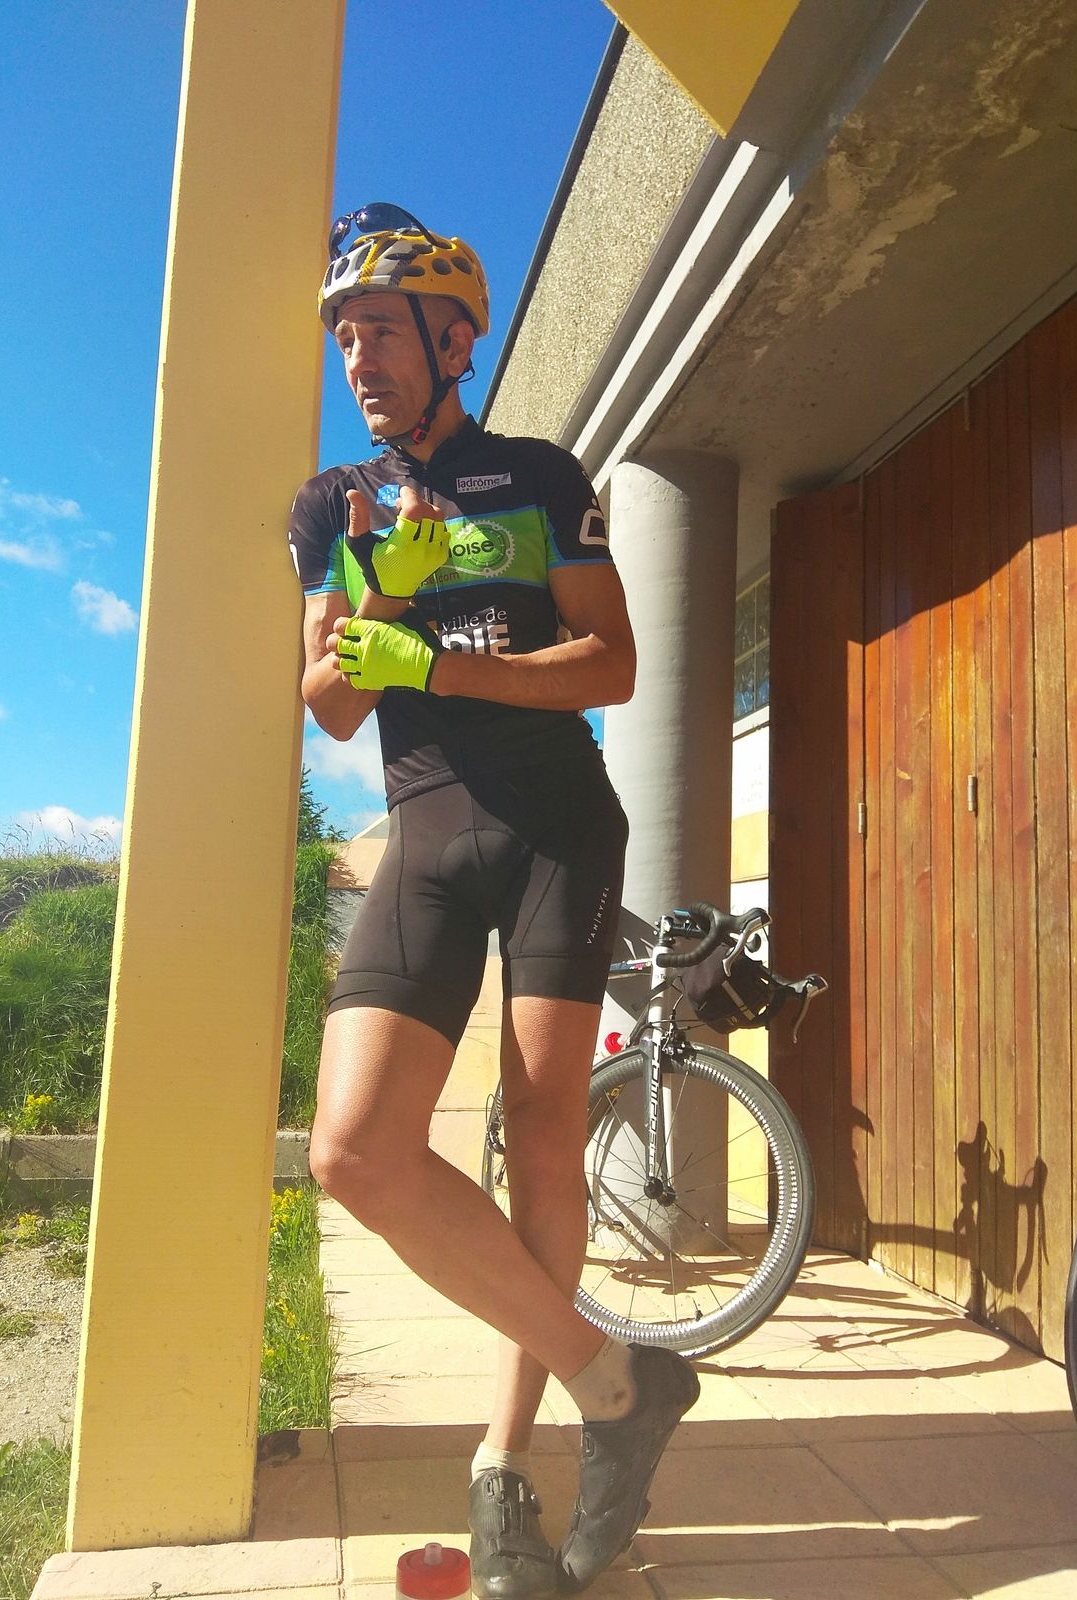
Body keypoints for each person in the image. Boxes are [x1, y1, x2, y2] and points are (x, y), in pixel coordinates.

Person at [289, 202, 699, 1597]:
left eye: (384, 331)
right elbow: (330, 704)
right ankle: (620, 1384)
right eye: (345, 335)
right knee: (351, 1149)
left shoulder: (535, 475)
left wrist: (441, 656)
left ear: (453, 339)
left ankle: (504, 1478)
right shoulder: (334, 504)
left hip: (554, 831)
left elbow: (612, 666)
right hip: (424, 831)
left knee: (536, 1131)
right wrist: (373, 595)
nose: (360, 358)